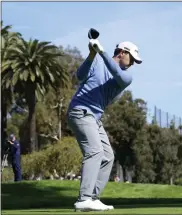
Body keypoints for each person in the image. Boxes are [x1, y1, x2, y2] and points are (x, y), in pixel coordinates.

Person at [67, 37, 142, 212]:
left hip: (94, 117)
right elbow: (79, 76)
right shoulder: (97, 62)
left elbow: (117, 73)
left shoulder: (126, 77)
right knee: (95, 151)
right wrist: (92, 55)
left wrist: (101, 51)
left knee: (107, 156)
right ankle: (83, 198)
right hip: (80, 111)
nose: (132, 64)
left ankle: (92, 197)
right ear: (122, 53)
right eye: (132, 59)